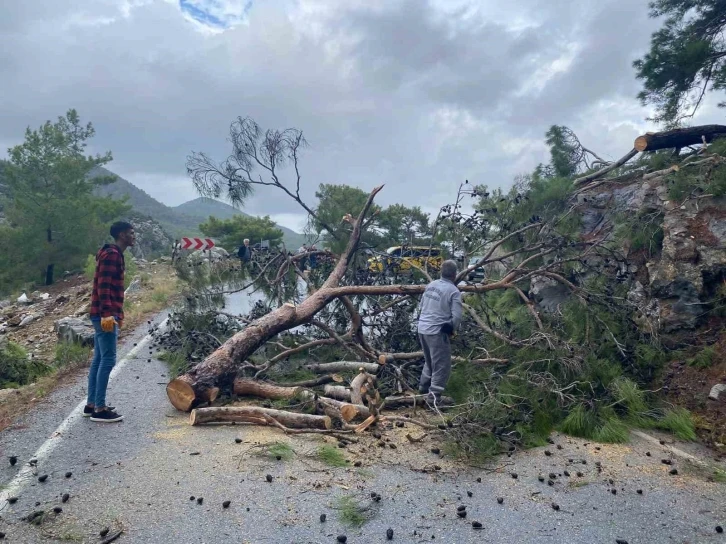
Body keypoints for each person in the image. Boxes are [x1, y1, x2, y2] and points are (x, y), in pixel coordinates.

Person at [85, 221, 135, 423]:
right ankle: (100, 408)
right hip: (104, 314)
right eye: (131, 233)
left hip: (104, 313)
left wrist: (117, 314)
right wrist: (109, 315)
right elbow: (103, 287)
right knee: (107, 359)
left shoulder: (112, 253)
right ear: (122, 235)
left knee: (99, 359)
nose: (134, 236)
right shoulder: (112, 255)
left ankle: (91, 404)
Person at [417, 260, 463, 405]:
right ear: (455, 275)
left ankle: (423, 390)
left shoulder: (431, 285)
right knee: (442, 365)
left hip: (422, 328)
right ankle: (434, 399)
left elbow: (421, 306)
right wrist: (451, 330)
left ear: (441, 272)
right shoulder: (454, 291)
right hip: (437, 331)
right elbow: (456, 317)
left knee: (430, 361)